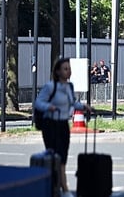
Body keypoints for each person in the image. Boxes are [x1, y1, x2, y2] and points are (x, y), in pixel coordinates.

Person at [34, 58, 93, 197]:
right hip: (50, 124)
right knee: (56, 156)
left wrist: (84, 107)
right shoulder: (51, 87)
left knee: (63, 156)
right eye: (65, 69)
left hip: (63, 124)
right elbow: (38, 103)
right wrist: (49, 107)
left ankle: (57, 186)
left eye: (69, 68)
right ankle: (64, 188)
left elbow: (72, 103)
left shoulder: (69, 86)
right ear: (58, 71)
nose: (69, 71)